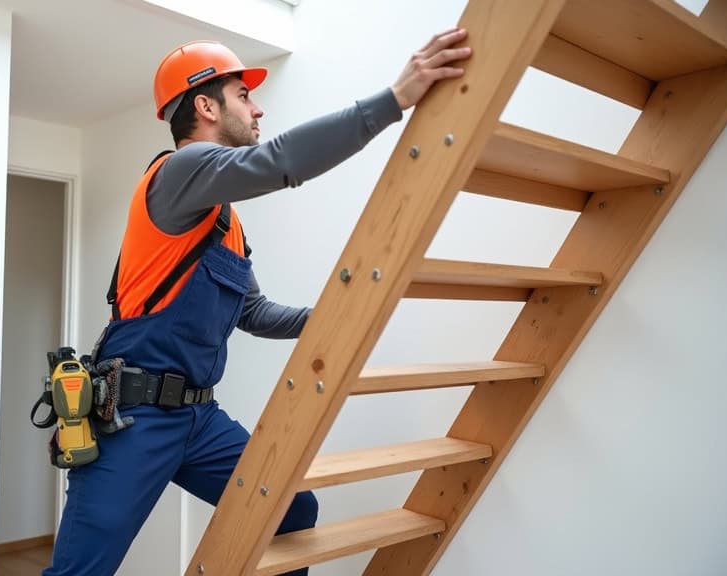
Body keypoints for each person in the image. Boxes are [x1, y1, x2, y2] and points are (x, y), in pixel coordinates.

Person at [44, 28, 472, 576]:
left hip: (199, 417)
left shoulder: (225, 219)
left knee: (290, 510)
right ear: (204, 105)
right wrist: (395, 99)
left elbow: (252, 311)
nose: (257, 108)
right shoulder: (178, 172)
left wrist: (333, 319)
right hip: (133, 414)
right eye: (243, 95)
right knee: (80, 570)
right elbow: (278, 161)